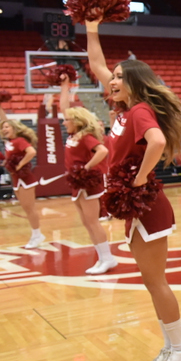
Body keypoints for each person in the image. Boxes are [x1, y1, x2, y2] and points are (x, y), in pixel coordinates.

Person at [85, 15, 181, 361]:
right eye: (113, 77)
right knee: (151, 281)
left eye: (119, 76)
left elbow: (159, 142)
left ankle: (180, 347)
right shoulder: (122, 110)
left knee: (155, 281)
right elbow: (97, 65)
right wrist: (91, 27)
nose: (112, 80)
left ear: (133, 82)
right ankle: (171, 344)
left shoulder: (138, 110)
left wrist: (140, 179)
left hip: (147, 206)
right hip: (139, 207)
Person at [57, 76, 116, 274]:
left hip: (88, 183)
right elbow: (64, 107)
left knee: (92, 221)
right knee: (86, 222)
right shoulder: (74, 135)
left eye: (67, 120)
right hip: (77, 184)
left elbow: (103, 151)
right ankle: (102, 257)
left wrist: (86, 168)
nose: (64, 122)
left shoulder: (86, 136)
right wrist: (64, 87)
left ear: (77, 121)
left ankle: (107, 258)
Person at [0, 103, 43, 247]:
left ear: (14, 128)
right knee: (26, 208)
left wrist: (20, 164)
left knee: (30, 208)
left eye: (7, 127)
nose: (4, 129)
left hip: (25, 178)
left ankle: (37, 235)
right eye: (3, 128)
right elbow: (4, 121)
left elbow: (31, 152)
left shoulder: (19, 141)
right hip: (16, 179)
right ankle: (36, 234)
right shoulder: (9, 141)